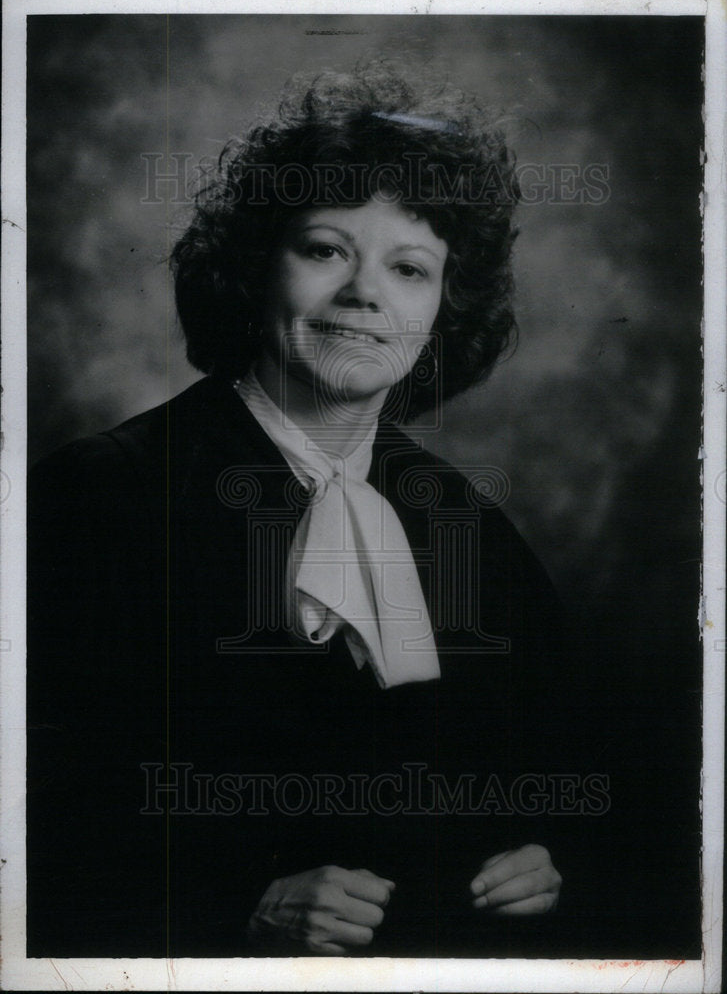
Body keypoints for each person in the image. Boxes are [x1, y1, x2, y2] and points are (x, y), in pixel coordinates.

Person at [27, 61, 573, 959]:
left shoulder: (464, 520)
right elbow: (35, 821)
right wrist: (239, 903)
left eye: (409, 268)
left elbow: (563, 767)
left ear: (441, 313)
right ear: (252, 270)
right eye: (324, 249)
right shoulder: (97, 497)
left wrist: (547, 861)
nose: (365, 295)